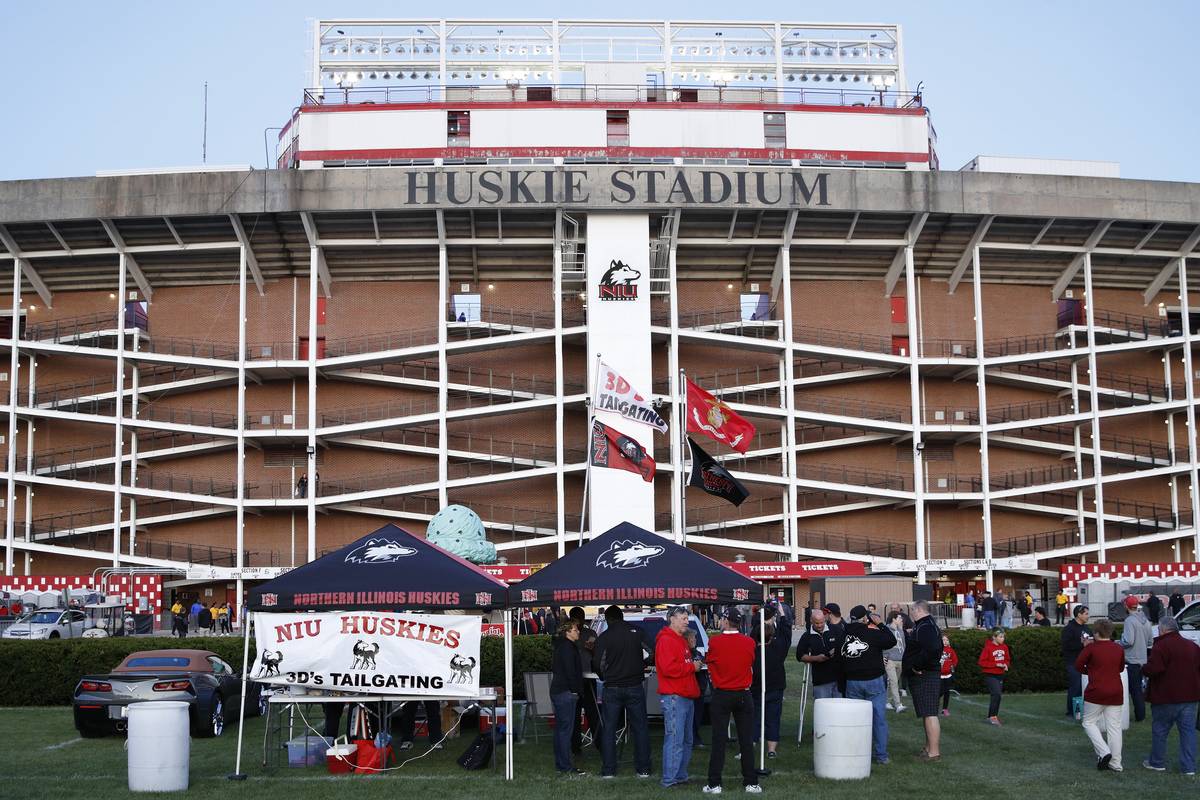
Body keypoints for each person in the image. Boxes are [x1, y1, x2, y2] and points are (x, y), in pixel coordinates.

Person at [703, 608, 762, 795]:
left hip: (722, 694)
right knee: (746, 740)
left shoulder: (715, 641)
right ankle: (751, 782)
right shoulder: (749, 642)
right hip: (744, 694)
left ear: (726, 621)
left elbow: (710, 662)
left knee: (718, 740)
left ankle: (714, 784)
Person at [594, 606, 651, 779]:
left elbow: (598, 663)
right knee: (640, 728)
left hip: (612, 687)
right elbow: (652, 651)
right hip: (635, 685)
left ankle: (609, 770)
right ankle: (643, 769)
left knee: (609, 729)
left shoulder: (604, 637)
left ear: (608, 619)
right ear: (622, 616)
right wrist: (641, 664)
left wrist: (605, 676)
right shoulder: (637, 632)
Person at [1142, 615, 1200, 775]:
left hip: (1165, 696)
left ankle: (1157, 762)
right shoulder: (1192, 646)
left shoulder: (1161, 646)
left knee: (1160, 730)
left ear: (1162, 629)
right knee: (1188, 733)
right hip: (1190, 697)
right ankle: (1188, 767)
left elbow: (1155, 669)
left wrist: (1144, 668)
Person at [840, 605, 896, 765]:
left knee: (854, 720)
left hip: (852, 681)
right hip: (874, 680)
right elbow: (891, 640)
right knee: (878, 719)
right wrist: (880, 624)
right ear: (865, 618)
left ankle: (855, 752)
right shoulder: (872, 633)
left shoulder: (844, 635)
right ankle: (881, 755)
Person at [656, 607, 699, 788]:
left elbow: (680, 665)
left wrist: (692, 665)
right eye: (683, 618)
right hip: (675, 696)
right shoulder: (666, 640)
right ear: (671, 619)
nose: (686, 622)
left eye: (686, 618)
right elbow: (668, 669)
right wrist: (692, 667)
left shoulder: (679, 640)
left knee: (686, 740)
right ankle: (669, 779)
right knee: (675, 739)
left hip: (685, 695)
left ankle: (679, 775)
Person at [1077, 618, 1126, 772]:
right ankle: (1116, 763)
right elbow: (1120, 668)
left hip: (1096, 691)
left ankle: (1104, 752)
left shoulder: (1091, 649)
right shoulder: (1118, 648)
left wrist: (1090, 671)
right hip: (1116, 691)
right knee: (1114, 727)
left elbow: (1078, 665)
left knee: (1089, 722)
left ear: (1096, 633)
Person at [905, 599, 944, 760]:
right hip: (926, 673)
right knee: (926, 712)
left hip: (926, 674)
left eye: (912, 611)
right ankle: (928, 748)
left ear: (919, 610)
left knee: (929, 713)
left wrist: (917, 665)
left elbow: (933, 649)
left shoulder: (925, 626)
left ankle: (933, 752)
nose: (911, 615)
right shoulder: (925, 625)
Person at [752, 604, 790, 759]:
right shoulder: (780, 646)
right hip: (774, 687)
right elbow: (786, 632)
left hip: (758, 687)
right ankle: (771, 749)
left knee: (754, 718)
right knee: (773, 718)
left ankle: (751, 745)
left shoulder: (752, 649)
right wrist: (782, 616)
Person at [550, 619, 586, 776]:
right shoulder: (568, 648)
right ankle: (565, 765)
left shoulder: (562, 646)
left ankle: (561, 763)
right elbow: (571, 672)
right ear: (567, 632)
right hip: (565, 692)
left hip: (560, 691)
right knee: (565, 730)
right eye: (575, 630)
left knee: (561, 730)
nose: (578, 631)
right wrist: (575, 691)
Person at [568, 606, 600, 757]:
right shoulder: (567, 635)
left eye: (580, 617)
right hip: (574, 680)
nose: (578, 621)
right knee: (574, 714)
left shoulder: (590, 633)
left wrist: (592, 649)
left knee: (592, 712)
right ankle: (575, 746)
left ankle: (598, 742)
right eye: (575, 618)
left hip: (588, 679)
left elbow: (598, 654)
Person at [1119, 595, 1152, 723]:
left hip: (1131, 660)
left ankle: (1137, 716)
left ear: (1127, 606)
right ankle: (1140, 715)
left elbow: (1128, 640)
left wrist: (1118, 642)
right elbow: (1150, 641)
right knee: (1137, 689)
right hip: (1143, 660)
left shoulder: (1129, 620)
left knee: (1133, 690)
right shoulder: (1146, 620)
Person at [797, 609, 841, 698]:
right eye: (817, 623)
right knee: (823, 709)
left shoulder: (835, 630)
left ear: (825, 619)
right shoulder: (807, 636)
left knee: (839, 709)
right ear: (811, 621)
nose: (820, 625)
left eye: (822, 622)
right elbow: (799, 656)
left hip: (838, 678)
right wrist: (816, 658)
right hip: (821, 680)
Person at [1062, 605, 1093, 717]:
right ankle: (1073, 712)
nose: (1088, 616)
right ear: (1079, 614)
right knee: (1075, 687)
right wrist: (1081, 644)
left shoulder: (1087, 628)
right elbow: (1066, 645)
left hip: (1086, 663)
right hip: (1073, 662)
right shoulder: (1069, 629)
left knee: (1083, 687)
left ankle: (1080, 711)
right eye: (1086, 614)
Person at [977, 628, 1011, 725]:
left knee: (998, 696)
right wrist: (996, 664)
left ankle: (992, 716)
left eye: (1003, 637)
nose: (1003, 639)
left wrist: (1006, 665)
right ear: (994, 637)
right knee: (996, 694)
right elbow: (981, 662)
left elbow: (1007, 659)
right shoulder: (988, 648)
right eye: (1000, 637)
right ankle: (992, 717)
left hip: (1000, 675)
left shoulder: (1004, 647)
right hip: (990, 675)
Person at [684, 628, 709, 747]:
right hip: (689, 690)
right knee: (691, 717)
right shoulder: (685, 653)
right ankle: (693, 738)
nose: (694, 640)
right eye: (692, 637)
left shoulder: (697, 653)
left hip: (699, 689)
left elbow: (704, 662)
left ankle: (694, 737)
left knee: (697, 715)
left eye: (694, 637)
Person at [883, 612, 906, 713]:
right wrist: (884, 656)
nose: (901, 620)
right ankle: (898, 705)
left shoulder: (900, 630)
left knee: (894, 682)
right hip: (890, 660)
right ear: (893, 619)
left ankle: (887, 701)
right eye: (899, 618)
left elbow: (903, 645)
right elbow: (883, 644)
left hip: (900, 660)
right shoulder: (886, 630)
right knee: (893, 682)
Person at [938, 635, 958, 717]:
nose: (945, 641)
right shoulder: (938, 650)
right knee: (940, 691)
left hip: (948, 675)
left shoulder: (951, 650)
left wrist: (952, 666)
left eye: (947, 640)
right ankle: (933, 704)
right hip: (939, 675)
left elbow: (955, 660)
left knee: (947, 692)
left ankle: (944, 709)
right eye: (943, 640)